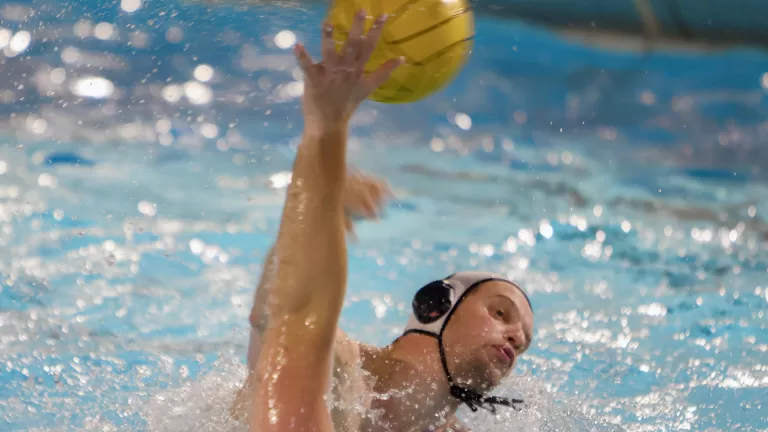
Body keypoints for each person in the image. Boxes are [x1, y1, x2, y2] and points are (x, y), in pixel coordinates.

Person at [241, 11, 534, 432]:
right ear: (436, 306)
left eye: (523, 342)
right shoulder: (341, 371)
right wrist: (324, 186)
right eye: (500, 312)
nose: (516, 339)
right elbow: (280, 317)